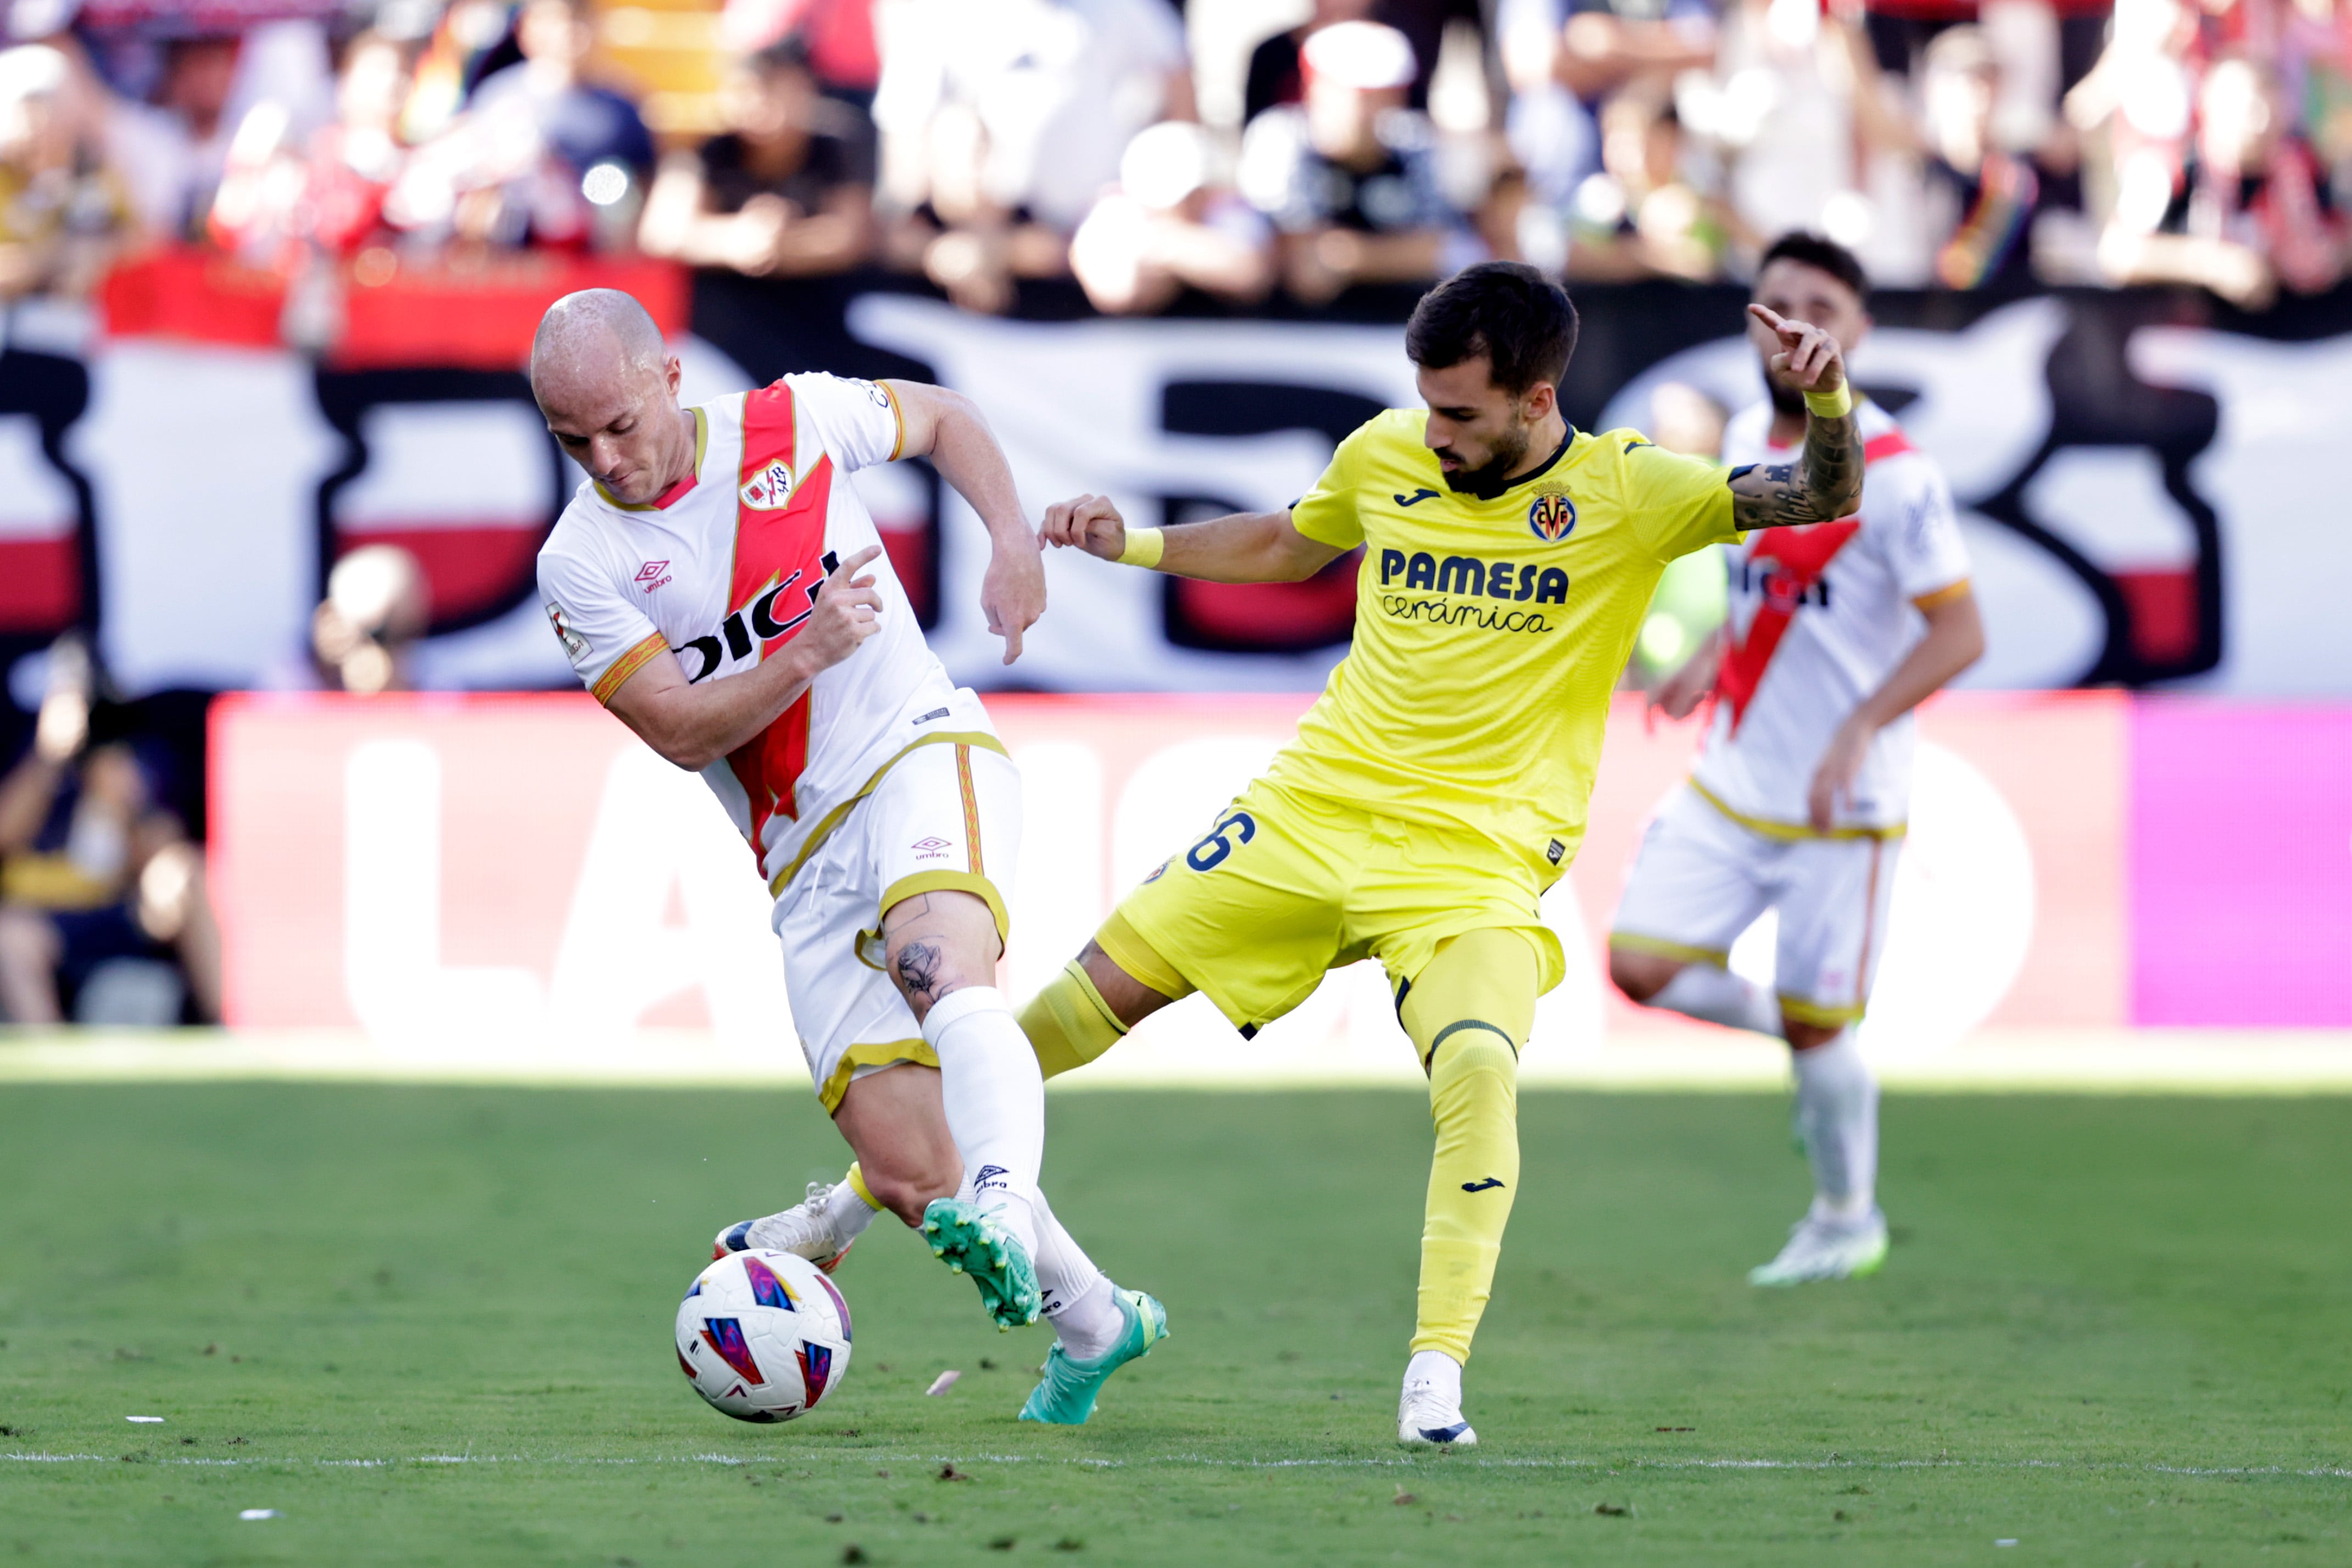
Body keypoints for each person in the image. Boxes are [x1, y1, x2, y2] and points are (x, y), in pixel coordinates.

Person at [1014, 260, 1866, 1445]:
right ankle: (844, 1210)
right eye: (1425, 404)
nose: (1435, 432)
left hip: (1475, 858)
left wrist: (1826, 404)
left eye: (1460, 412)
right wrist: (1135, 541)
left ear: (1534, 398)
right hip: (1313, 810)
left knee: (1475, 1072)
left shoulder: (1629, 490)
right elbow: (1282, 544)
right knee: (1058, 1015)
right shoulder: (1386, 454)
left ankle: (1433, 1374)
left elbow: (1814, 496)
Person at [528, 290, 1163, 1426]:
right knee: (918, 1171)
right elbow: (678, 731)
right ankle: (1096, 1320)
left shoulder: (795, 423)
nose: (605, 459)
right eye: (572, 441)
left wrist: (1012, 543)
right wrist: (802, 649)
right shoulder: (580, 559)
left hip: (919, 749)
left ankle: (1008, 1199)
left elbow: (951, 418)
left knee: (941, 964)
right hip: (801, 859)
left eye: (620, 425)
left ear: (668, 378)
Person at [1606, 232, 1983, 1286]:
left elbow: (1960, 634)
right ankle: (1822, 1053)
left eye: (1818, 304)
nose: (1792, 321)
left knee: (1822, 1033)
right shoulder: (1738, 437)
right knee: (1638, 964)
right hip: (1734, 777)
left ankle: (1843, 1215)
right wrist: (1710, 661)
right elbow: (1776, 597)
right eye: (1774, 301)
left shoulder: (1898, 478)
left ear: (1858, 332)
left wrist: (1861, 727)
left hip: (1839, 802)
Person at [1236, 20, 1481, 305]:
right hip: (1294, 331)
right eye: (1361, 94)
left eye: (1389, 93)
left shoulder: (1416, 143)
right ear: (1315, 86)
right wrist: (1398, 255)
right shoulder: (1279, 139)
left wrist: (1356, 257)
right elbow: (1306, 273)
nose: (1374, 109)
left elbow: (1448, 252)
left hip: (1398, 328)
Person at [637, 38, 876, 277]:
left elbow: (854, 236)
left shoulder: (840, 143)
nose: (760, 103)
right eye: (748, 90)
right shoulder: (708, 149)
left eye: (774, 88)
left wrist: (780, 244)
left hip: (819, 299)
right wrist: (736, 238)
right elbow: (661, 233)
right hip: (729, 299)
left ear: (806, 89)